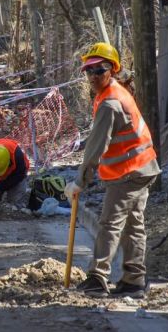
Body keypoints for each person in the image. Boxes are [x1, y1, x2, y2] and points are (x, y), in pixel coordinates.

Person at [64, 42, 161, 298]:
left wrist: (79, 182)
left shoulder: (110, 103)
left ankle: (98, 277)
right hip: (143, 168)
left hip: (129, 172)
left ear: (112, 69)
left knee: (110, 223)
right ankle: (134, 280)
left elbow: (95, 149)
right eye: (89, 70)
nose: (93, 76)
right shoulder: (113, 93)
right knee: (133, 224)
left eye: (100, 70)